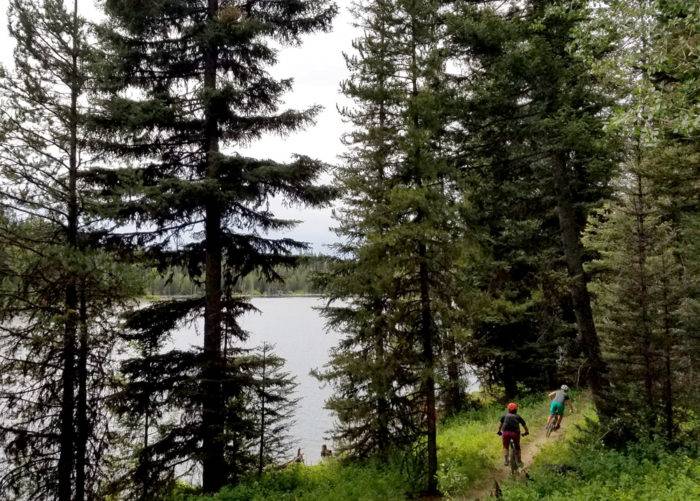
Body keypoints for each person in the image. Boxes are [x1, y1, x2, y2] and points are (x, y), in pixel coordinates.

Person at [497, 402, 529, 466]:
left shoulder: (504, 416)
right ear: (516, 410)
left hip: (505, 433)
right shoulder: (518, 416)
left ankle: (506, 460)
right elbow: (524, 425)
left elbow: (500, 425)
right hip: (515, 433)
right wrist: (526, 432)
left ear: (508, 409)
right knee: (517, 447)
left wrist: (499, 431)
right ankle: (519, 461)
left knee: (505, 447)